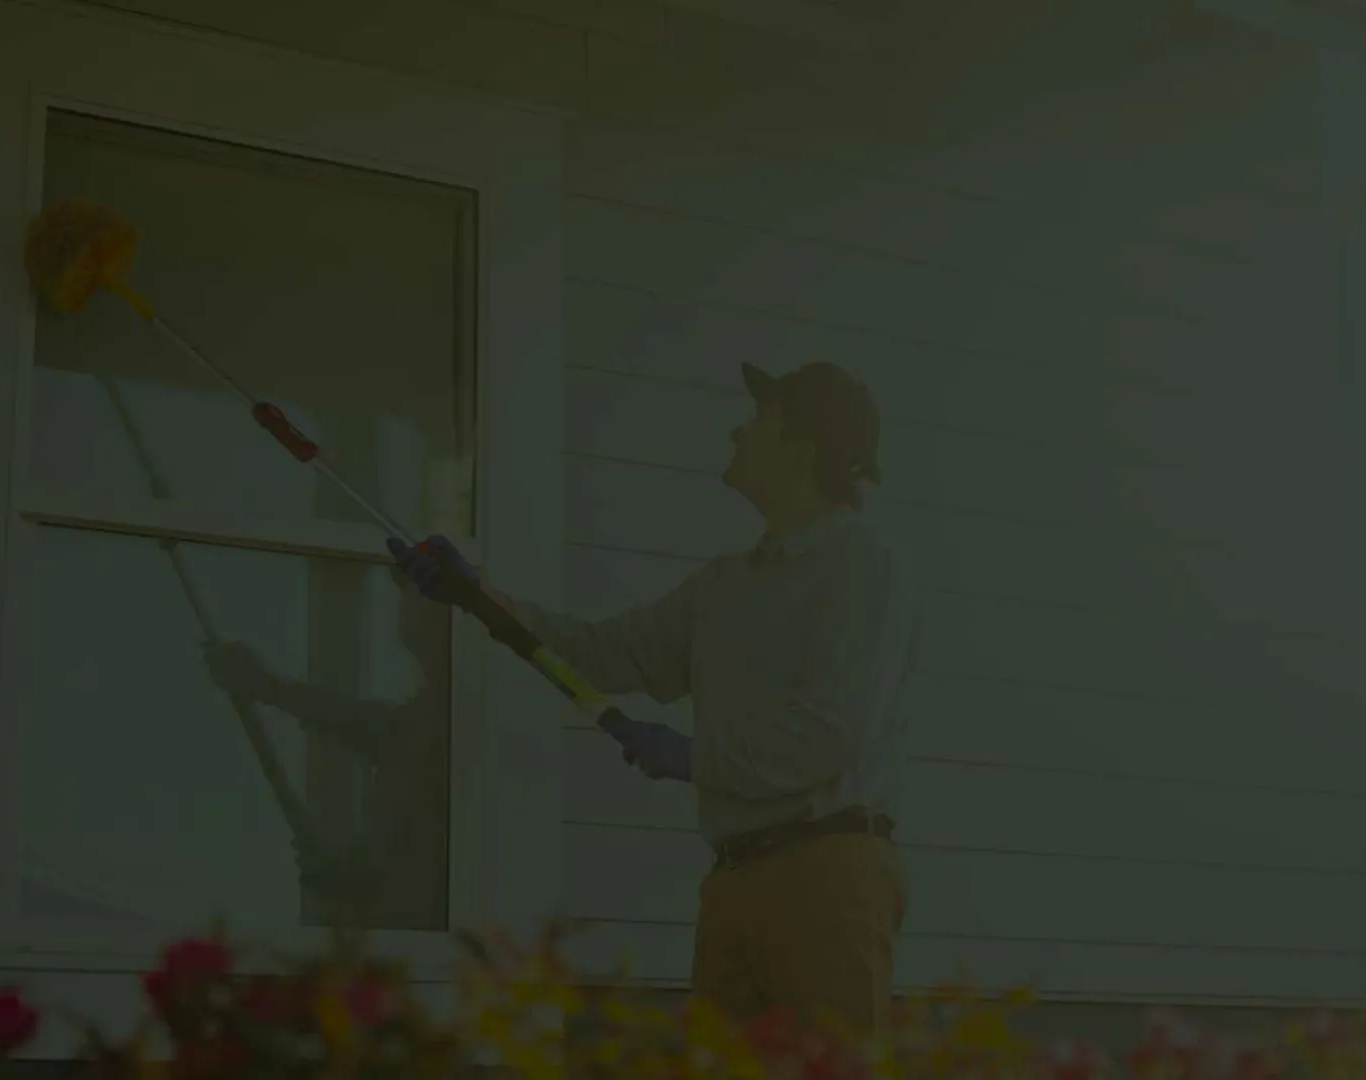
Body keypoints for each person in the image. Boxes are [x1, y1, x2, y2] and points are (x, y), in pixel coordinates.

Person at [389, 360, 920, 1036]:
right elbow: (600, 653)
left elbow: (835, 733)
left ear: (802, 445)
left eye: (758, 420)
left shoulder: (863, 563)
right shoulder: (727, 585)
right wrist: (477, 596)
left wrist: (696, 757)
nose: (736, 432)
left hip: (827, 871)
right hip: (733, 877)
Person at [200, 574, 451, 932]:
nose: (408, 612)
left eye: (419, 600)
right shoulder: (430, 716)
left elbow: (378, 730)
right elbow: (370, 727)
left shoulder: (456, 720)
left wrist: (267, 686)